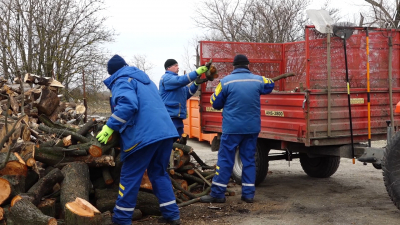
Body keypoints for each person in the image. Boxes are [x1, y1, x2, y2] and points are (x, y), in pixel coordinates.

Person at [96, 54, 181, 225]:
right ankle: (172, 215)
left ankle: (121, 219)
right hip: (165, 131)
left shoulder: (121, 80)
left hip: (144, 135)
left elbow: (128, 105)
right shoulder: (144, 80)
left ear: (112, 73)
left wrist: (110, 126)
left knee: (130, 176)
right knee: (158, 173)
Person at [200, 54, 275, 204]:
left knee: (225, 160)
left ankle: (218, 194)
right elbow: (270, 84)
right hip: (251, 128)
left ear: (234, 67)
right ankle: (248, 195)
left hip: (232, 129)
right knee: (248, 160)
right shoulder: (258, 80)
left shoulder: (226, 82)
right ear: (248, 65)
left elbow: (215, 102)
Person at [159, 59, 209, 137]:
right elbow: (180, 81)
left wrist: (195, 84)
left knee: (179, 143)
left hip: (177, 118)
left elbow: (187, 94)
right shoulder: (166, 78)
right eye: (175, 66)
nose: (178, 67)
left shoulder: (177, 82)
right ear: (168, 68)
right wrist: (197, 72)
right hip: (170, 118)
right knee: (172, 143)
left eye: (178, 65)